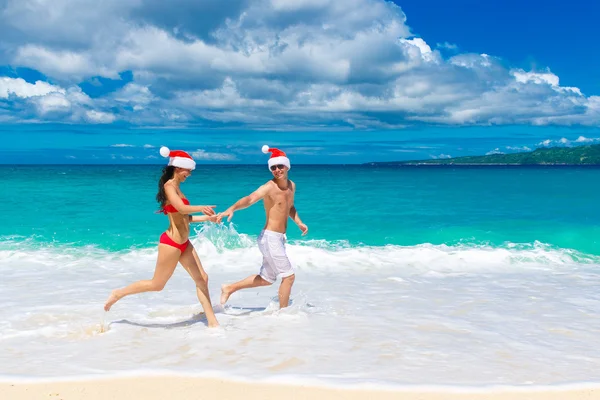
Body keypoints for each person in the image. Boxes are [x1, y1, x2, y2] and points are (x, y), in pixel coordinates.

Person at [104, 146, 221, 328]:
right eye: (187, 170)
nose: (188, 174)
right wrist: (202, 207)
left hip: (184, 243)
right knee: (157, 285)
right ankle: (118, 293)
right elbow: (182, 209)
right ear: (177, 168)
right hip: (172, 244)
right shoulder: (169, 187)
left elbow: (185, 217)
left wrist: (209, 218)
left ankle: (212, 322)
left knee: (202, 278)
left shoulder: (178, 188)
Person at [218, 145, 308, 309]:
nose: (277, 170)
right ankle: (284, 313)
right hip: (270, 237)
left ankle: (229, 288)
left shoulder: (291, 186)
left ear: (287, 166)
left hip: (278, 238)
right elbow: (250, 199)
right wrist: (232, 208)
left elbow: (290, 207)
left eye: (280, 166)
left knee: (266, 279)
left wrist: (299, 222)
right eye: (273, 167)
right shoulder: (269, 187)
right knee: (288, 277)